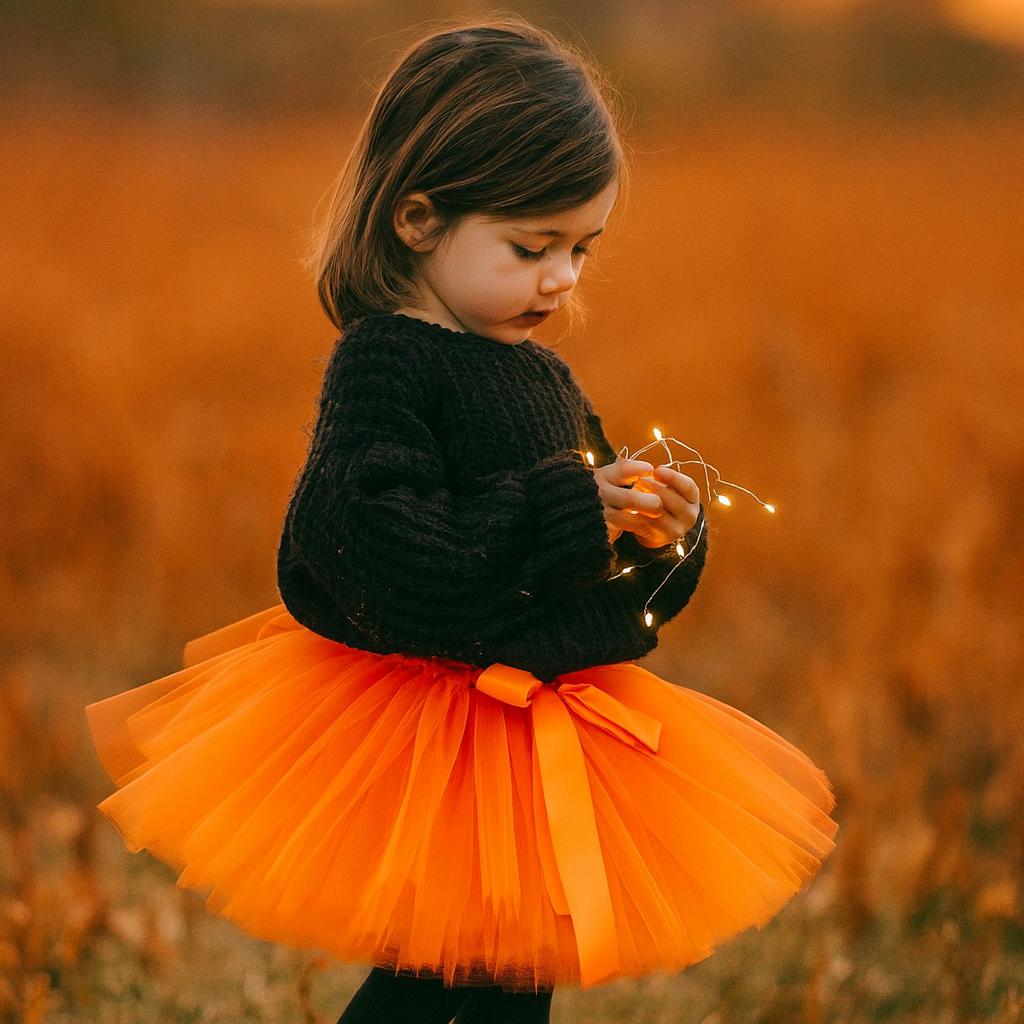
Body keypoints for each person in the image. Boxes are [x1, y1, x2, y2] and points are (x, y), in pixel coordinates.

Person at [85, 16, 839, 1024]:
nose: (563, 277)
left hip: (532, 733)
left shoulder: (543, 375)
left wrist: (655, 540)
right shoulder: (387, 362)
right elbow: (365, 541)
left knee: (514, 982)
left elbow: (580, 579)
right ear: (417, 220)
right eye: (533, 246)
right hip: (425, 740)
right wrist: (573, 504)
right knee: (419, 979)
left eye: (582, 247)